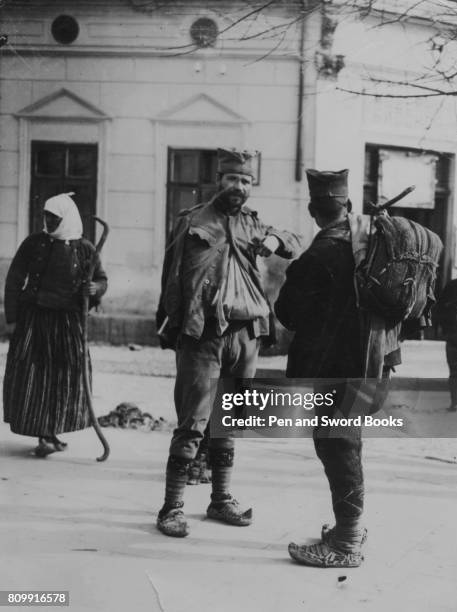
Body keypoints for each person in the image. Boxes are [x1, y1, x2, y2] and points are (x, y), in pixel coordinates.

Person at [155, 147, 300, 537]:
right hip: (204, 335)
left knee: (229, 422)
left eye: (247, 180)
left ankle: (220, 500)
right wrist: (171, 325)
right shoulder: (193, 220)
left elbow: (294, 242)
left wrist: (273, 240)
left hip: (246, 335)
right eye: (233, 178)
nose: (239, 186)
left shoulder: (255, 225)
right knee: (192, 424)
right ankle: (172, 507)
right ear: (219, 180)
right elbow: (171, 275)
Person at [275, 169, 401, 568]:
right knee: (347, 441)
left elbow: (288, 315)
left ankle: (346, 543)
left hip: (337, 370)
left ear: (314, 210)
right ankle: (348, 528)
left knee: (337, 443)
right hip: (376, 362)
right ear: (346, 206)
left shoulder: (318, 254)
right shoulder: (372, 241)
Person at [3, 193, 107, 457]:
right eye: (46, 217)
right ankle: (45, 435)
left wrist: (96, 288)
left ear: (66, 218)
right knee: (35, 377)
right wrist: (13, 319)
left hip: (68, 324)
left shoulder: (85, 249)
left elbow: (101, 279)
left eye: (54, 218)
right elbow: (14, 279)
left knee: (65, 378)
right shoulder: (34, 244)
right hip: (35, 321)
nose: (48, 222)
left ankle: (52, 431)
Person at [434, 275, 457, 411]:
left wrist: (444, 329)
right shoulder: (452, 286)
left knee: (455, 371)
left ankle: (455, 402)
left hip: (454, 334)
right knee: (455, 370)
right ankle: (455, 402)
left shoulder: (452, 285)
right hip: (455, 334)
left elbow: (439, 309)